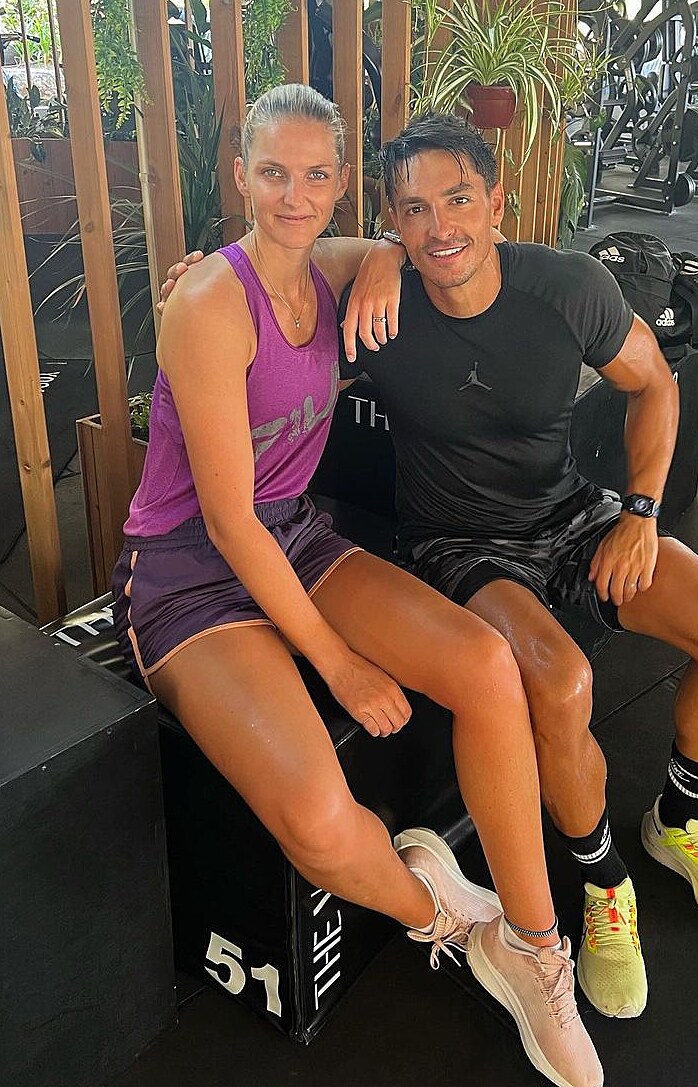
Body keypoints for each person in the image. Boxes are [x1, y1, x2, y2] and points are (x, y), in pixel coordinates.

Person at [162, 112, 698, 1022]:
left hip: (572, 514)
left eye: (457, 200)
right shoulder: (381, 311)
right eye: (413, 210)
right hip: (457, 545)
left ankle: (682, 820)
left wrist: (641, 512)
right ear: (392, 220)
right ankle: (604, 880)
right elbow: (276, 271)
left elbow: (654, 382)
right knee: (560, 683)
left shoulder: (570, 286)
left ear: (497, 202)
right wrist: (198, 290)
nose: (439, 226)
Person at [118, 85, 602, 1087]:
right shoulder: (209, 303)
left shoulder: (336, 264)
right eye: (272, 173)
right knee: (320, 824)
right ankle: (454, 924)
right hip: (189, 577)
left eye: (315, 175)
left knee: (486, 663)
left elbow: (393, 247)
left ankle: (536, 945)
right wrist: (335, 662)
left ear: (341, 185)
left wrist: (384, 252)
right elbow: (227, 522)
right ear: (240, 177)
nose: (293, 195)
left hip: (294, 536)